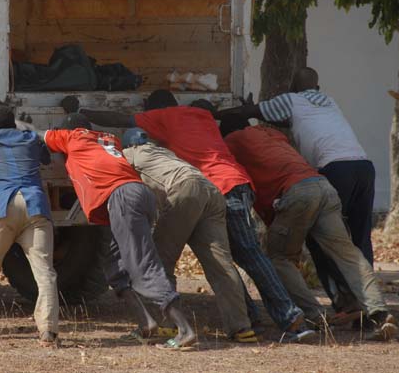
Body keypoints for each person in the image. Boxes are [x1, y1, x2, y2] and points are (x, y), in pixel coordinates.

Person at [80, 90, 313, 342]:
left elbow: (119, 119)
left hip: (215, 184)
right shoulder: (201, 115)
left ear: (153, 109)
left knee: (167, 256)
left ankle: (288, 318)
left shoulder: (159, 121)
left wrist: (82, 113)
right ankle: (243, 323)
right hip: (224, 185)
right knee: (221, 262)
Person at [221, 119, 397, 341]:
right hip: (323, 187)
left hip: (296, 194)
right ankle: (379, 311)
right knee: (349, 255)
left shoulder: (230, 143)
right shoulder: (268, 134)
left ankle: (316, 316)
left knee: (278, 257)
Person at [39, 112, 196, 350]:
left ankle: (184, 330)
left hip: (121, 197)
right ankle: (146, 323)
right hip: (137, 194)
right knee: (115, 264)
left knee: (141, 264)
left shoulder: (74, 137)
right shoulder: (109, 139)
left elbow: (37, 134)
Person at [229, 67, 375, 317]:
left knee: (322, 237)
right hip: (363, 167)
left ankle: (343, 299)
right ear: (317, 88)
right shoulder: (329, 102)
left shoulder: (291, 100)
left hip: (334, 169)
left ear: (293, 88)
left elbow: (247, 112)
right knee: (359, 238)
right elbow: (291, 120)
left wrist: (212, 113)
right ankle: (369, 301)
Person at [121, 128, 257, 343]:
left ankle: (167, 325)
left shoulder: (134, 153)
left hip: (185, 189)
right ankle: (241, 327)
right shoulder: (166, 153)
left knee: (160, 260)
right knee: (221, 265)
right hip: (210, 191)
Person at [0, 104, 59, 345]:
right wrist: (26, 128)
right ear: (14, 123)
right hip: (35, 205)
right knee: (45, 272)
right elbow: (45, 157)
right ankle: (48, 331)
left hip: (4, 208)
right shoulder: (29, 138)